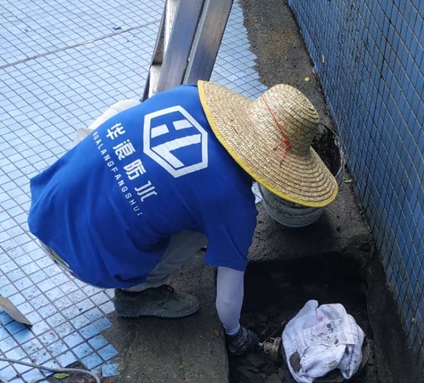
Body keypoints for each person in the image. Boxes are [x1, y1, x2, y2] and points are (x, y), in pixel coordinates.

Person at [27, 81, 338, 356]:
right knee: (204, 230)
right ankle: (136, 296)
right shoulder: (234, 206)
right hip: (84, 260)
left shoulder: (189, 96)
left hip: (48, 204)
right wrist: (236, 334)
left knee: (128, 110)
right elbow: (227, 304)